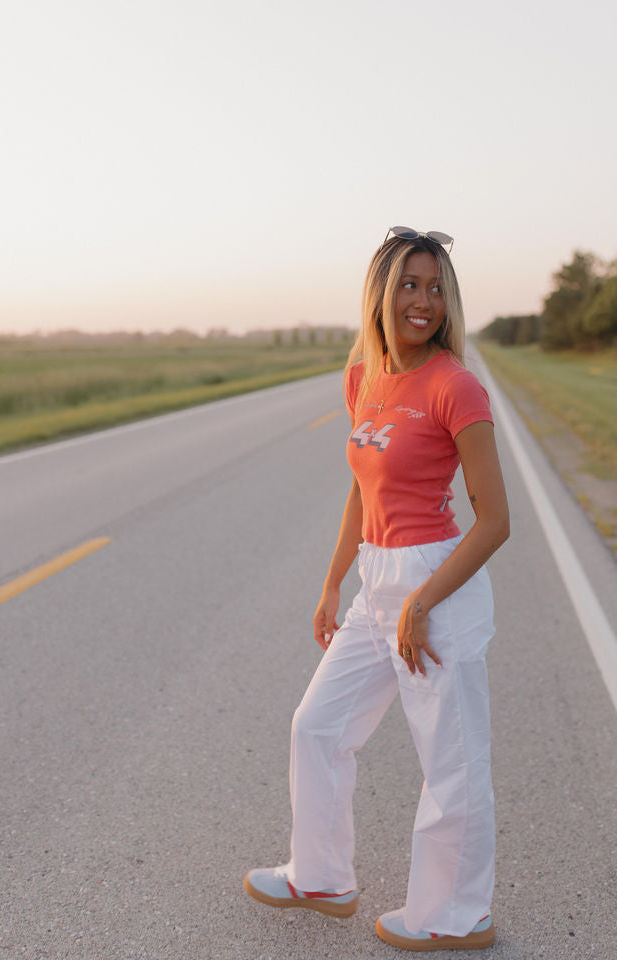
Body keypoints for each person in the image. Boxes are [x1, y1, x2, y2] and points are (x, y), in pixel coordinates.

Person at [244, 226, 509, 952]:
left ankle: (457, 914)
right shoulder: (364, 377)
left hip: (436, 584)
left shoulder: (456, 385)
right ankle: (322, 877)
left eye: (434, 288)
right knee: (318, 726)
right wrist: (333, 582)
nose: (422, 301)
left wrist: (423, 604)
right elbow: (361, 493)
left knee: (451, 760)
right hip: (376, 578)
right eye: (408, 285)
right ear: (380, 293)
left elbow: (496, 521)